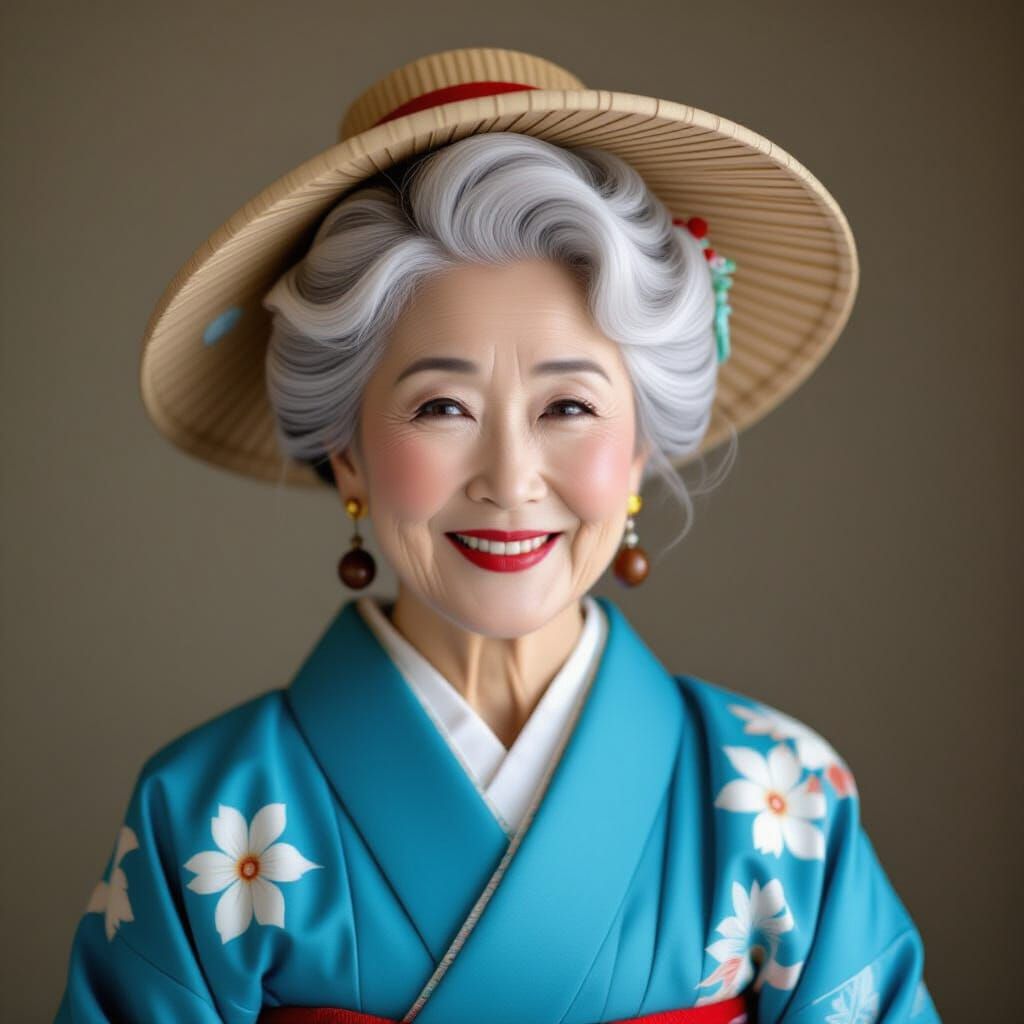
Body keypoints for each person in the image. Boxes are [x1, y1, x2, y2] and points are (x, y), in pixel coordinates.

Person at [55, 47, 940, 1023]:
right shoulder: (203, 811)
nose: (510, 479)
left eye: (569, 406)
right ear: (347, 454)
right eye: (441, 406)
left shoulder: (788, 798)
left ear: (640, 447)